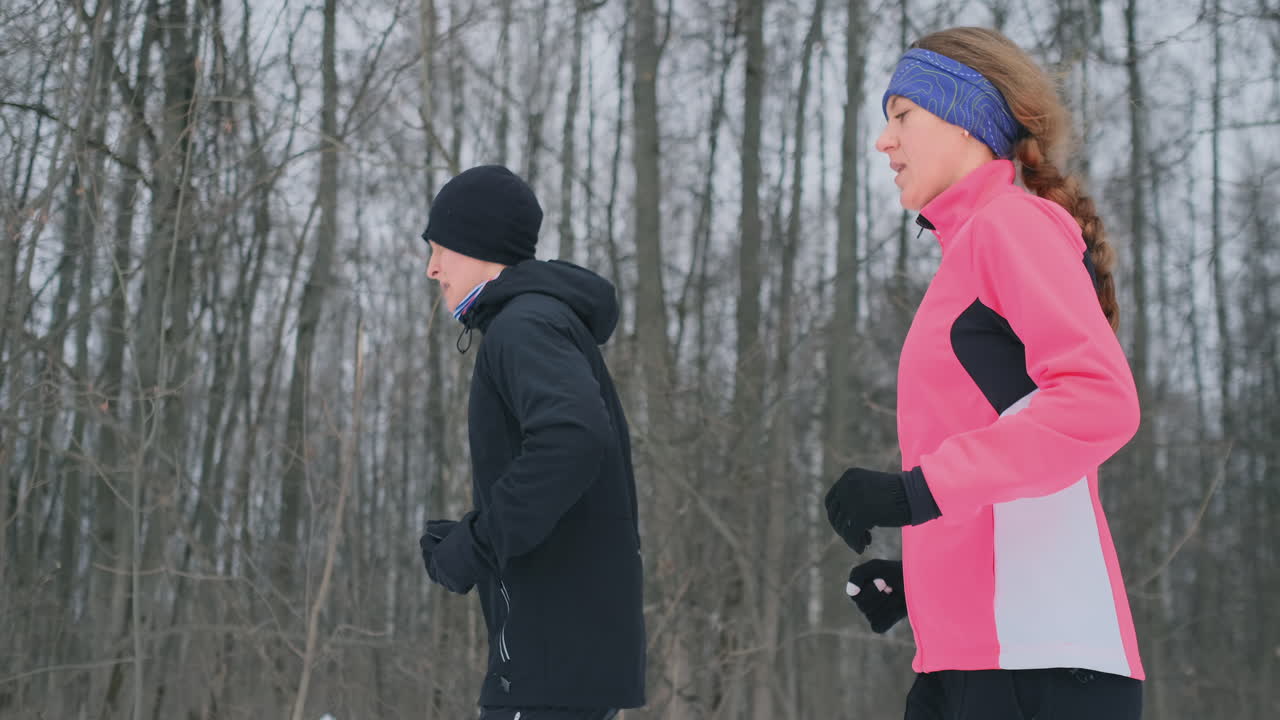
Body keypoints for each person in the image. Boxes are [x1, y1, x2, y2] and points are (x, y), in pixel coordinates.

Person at [822, 27, 1145, 719]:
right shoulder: (969, 253)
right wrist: (927, 580)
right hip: (980, 659)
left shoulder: (1011, 227)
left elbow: (1099, 403)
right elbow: (1009, 450)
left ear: (965, 119)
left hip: (1040, 662)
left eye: (901, 115)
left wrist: (917, 494)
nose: (885, 141)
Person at [418, 165, 645, 720]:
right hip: (562, 663)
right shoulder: (537, 321)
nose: (432, 268)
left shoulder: (524, 326)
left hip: (549, 665)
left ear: (479, 244)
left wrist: (476, 544)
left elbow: (572, 439)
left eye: (440, 248)